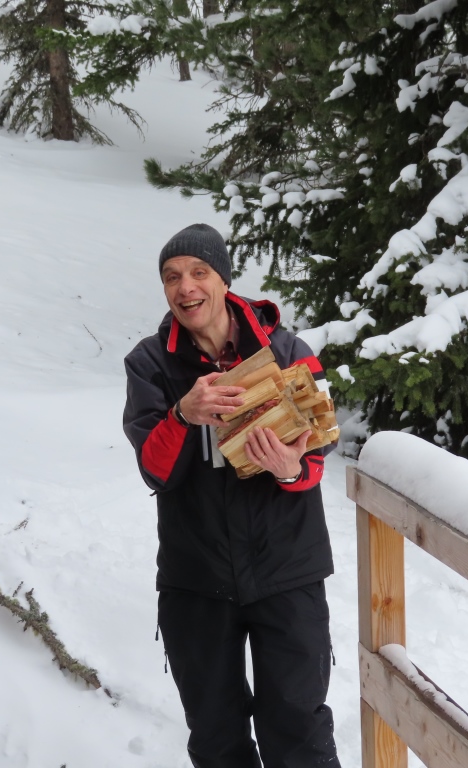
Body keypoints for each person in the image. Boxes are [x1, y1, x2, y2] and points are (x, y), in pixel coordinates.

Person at [122, 223, 341, 768]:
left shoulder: (288, 352)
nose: (185, 287)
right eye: (171, 277)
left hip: (287, 571)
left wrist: (290, 469)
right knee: (216, 735)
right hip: (197, 578)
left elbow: (320, 449)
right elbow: (154, 471)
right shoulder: (151, 364)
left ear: (223, 280)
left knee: (298, 729)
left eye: (199, 272)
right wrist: (182, 414)